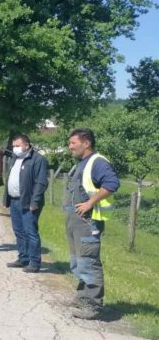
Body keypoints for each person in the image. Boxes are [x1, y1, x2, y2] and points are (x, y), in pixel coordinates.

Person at [65, 128, 120, 319]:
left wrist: (90, 202)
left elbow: (112, 184)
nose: (69, 146)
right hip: (75, 220)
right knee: (77, 261)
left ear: (86, 143)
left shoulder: (98, 162)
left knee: (88, 262)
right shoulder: (81, 163)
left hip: (88, 221)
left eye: (73, 143)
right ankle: (82, 297)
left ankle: (93, 304)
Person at [2, 134, 49, 273]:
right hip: (14, 200)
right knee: (19, 231)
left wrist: (34, 202)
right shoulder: (15, 158)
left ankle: (34, 262)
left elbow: (41, 183)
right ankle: (23, 258)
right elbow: (10, 178)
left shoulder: (38, 159)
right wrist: (6, 198)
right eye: (13, 146)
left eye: (17, 146)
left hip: (29, 202)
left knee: (30, 232)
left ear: (27, 145)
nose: (15, 148)